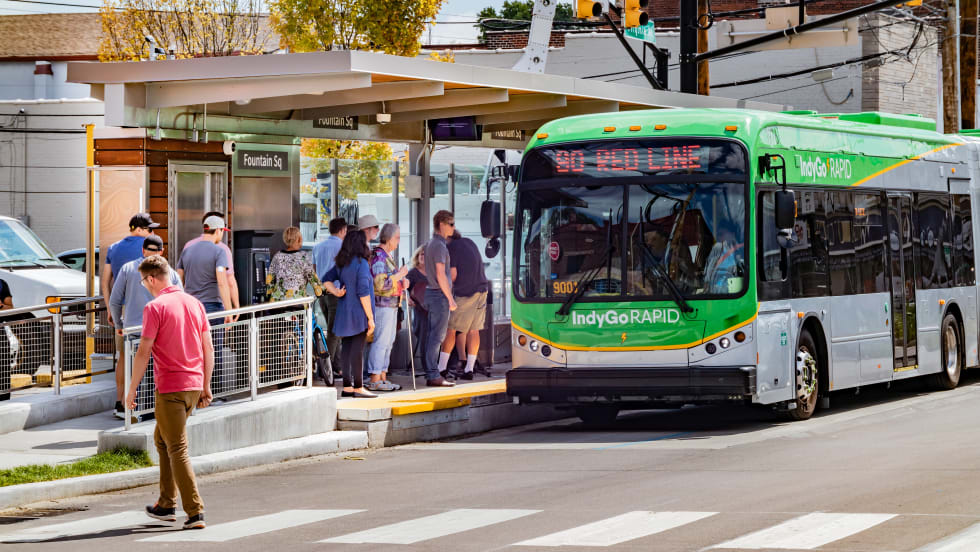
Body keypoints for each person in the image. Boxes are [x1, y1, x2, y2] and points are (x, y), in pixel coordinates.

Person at [125, 255, 210, 530]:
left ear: (152, 279)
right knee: (161, 440)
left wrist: (131, 389)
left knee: (177, 448)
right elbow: (207, 347)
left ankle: (195, 512)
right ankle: (166, 503)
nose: (145, 286)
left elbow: (143, 351)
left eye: (143, 282)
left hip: (171, 387)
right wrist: (206, 385)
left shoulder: (155, 307)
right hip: (193, 384)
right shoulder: (194, 303)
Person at [109, 235, 181, 416]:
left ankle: (134, 413)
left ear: (142, 250)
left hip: (133, 332)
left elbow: (115, 301)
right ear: (162, 251)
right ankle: (152, 414)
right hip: (162, 333)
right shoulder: (170, 273)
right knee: (157, 376)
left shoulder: (127, 268)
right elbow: (180, 299)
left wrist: (119, 324)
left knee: (135, 375)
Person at [103, 213, 160, 417]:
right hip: (148, 312)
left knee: (124, 358)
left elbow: (106, 281)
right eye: (149, 229)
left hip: (124, 313)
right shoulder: (146, 248)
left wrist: (111, 310)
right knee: (150, 358)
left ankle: (121, 403)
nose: (151, 233)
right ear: (139, 229)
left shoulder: (113, 248)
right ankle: (146, 405)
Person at [176, 214, 234, 396]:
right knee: (213, 349)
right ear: (218, 231)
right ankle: (214, 393)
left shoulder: (187, 250)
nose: (222, 235)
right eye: (222, 232)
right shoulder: (219, 251)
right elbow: (222, 282)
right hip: (212, 308)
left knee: (193, 349)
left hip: (190, 307)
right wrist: (229, 311)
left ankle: (193, 389)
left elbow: (178, 278)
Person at [323, 230, 377, 398]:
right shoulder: (361, 263)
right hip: (358, 313)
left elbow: (325, 279)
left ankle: (347, 387)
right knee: (357, 351)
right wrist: (370, 318)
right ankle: (359, 387)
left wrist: (336, 292)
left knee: (346, 349)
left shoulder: (342, 263)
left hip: (344, 312)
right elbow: (363, 292)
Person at [441, 230, 490, 380]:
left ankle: (441, 368)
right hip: (482, 290)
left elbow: (453, 275)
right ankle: (469, 369)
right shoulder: (470, 242)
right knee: (474, 330)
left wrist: (442, 284)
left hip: (466, 293)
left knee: (451, 329)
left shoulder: (452, 247)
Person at [365, 223, 408, 392]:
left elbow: (390, 281)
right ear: (389, 239)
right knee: (381, 341)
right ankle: (375, 378)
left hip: (390, 305)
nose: (398, 241)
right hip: (382, 305)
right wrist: (399, 275)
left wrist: (402, 282)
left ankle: (382, 376)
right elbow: (380, 284)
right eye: (397, 238)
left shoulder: (386, 256)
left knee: (388, 342)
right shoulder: (380, 257)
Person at [423, 210, 457, 387]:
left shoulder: (432, 244)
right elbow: (441, 274)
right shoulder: (439, 246)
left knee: (432, 335)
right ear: (442, 225)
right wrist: (450, 298)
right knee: (436, 336)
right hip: (439, 295)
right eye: (451, 224)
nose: (453, 228)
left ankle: (431, 372)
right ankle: (433, 374)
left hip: (433, 293)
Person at [182, 211, 239, 312]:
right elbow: (227, 281)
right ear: (217, 230)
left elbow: (180, 279)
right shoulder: (222, 249)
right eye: (222, 230)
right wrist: (234, 307)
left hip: (190, 304)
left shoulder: (188, 247)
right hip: (213, 305)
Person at [312, 217, 347, 375]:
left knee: (334, 330)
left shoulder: (318, 247)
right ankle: (326, 368)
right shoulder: (342, 247)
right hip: (337, 292)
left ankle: (337, 366)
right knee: (334, 331)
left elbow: (314, 270)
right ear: (342, 230)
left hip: (321, 294)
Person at [267, 227, 320, 300]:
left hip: (279, 301)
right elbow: (313, 279)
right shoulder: (303, 257)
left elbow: (270, 280)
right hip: (297, 301)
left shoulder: (277, 256)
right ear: (299, 239)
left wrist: (268, 295)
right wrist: (323, 292)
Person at [703, 222, 744, 294]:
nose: (719, 237)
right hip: (716, 291)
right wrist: (706, 283)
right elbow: (709, 268)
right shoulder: (718, 248)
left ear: (732, 234)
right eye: (718, 235)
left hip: (736, 292)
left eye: (721, 234)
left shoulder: (742, 250)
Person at [405, 245, 429, 368]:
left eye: (426, 254)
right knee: (425, 335)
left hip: (434, 310)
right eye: (421, 254)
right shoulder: (412, 273)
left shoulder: (434, 272)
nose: (423, 256)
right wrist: (407, 298)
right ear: (417, 256)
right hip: (420, 312)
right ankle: (428, 368)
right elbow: (403, 289)